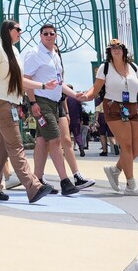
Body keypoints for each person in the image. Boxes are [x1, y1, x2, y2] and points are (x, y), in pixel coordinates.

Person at [0, 21, 58, 203]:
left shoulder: (14, 51)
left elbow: (20, 80)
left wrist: (43, 85)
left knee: (1, 149)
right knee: (16, 145)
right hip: (0, 102)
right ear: (8, 30)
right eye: (18, 29)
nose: (21, 32)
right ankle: (33, 186)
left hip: (12, 103)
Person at [23, 25, 93, 196]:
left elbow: (60, 83)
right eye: (45, 33)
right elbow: (26, 80)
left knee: (42, 141)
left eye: (52, 33)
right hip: (41, 101)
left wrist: (75, 95)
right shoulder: (34, 53)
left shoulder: (54, 54)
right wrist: (33, 102)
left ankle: (37, 181)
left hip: (54, 103)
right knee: (55, 140)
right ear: (40, 36)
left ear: (56, 36)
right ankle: (65, 181)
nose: (49, 36)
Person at [79, 40, 138, 195]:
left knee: (137, 147)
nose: (115, 50)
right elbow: (96, 88)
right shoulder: (105, 67)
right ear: (109, 52)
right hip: (113, 106)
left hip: (132, 107)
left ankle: (115, 170)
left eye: (118, 47)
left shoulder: (134, 67)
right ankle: (131, 184)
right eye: (112, 48)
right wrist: (86, 96)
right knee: (126, 146)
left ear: (124, 50)